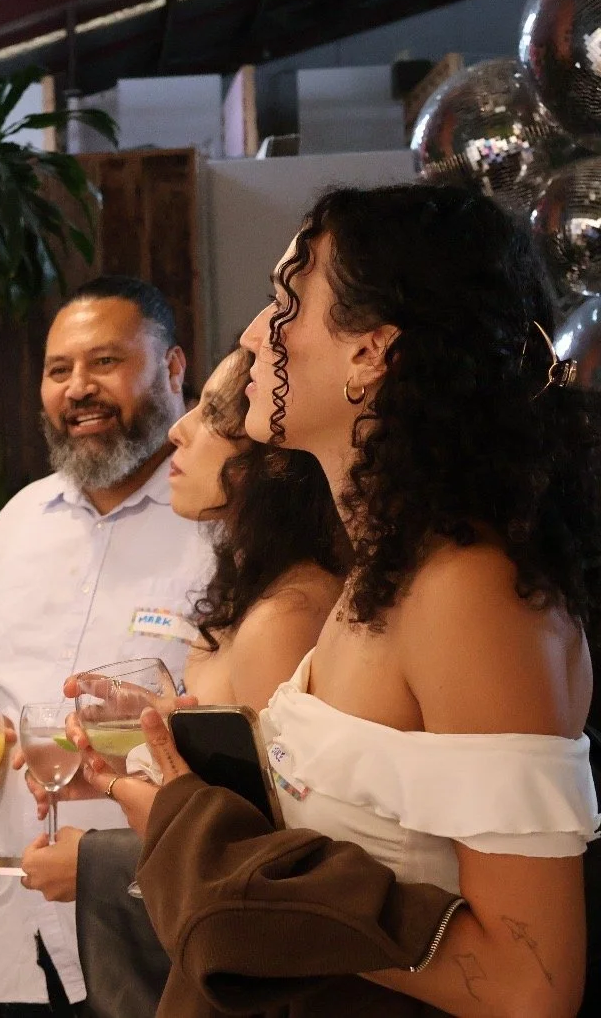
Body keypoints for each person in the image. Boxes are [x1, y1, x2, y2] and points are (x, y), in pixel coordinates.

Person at [133, 183, 601, 1017]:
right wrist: (183, 776)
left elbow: (532, 983)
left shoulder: (468, 588)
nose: (252, 336)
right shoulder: (387, 563)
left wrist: (206, 844)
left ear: (370, 353)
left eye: (286, 302)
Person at [16, 348, 346, 1018]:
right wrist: (162, 729)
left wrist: (100, 860)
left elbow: (270, 858)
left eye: (216, 413)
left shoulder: (284, 614)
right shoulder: (255, 590)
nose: (179, 428)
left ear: (275, 456)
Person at [0, 275, 213, 1016]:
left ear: (174, 369)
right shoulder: (17, 523)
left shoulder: (221, 525)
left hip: (160, 930)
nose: (77, 388)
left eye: (105, 363)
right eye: (59, 371)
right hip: (22, 928)